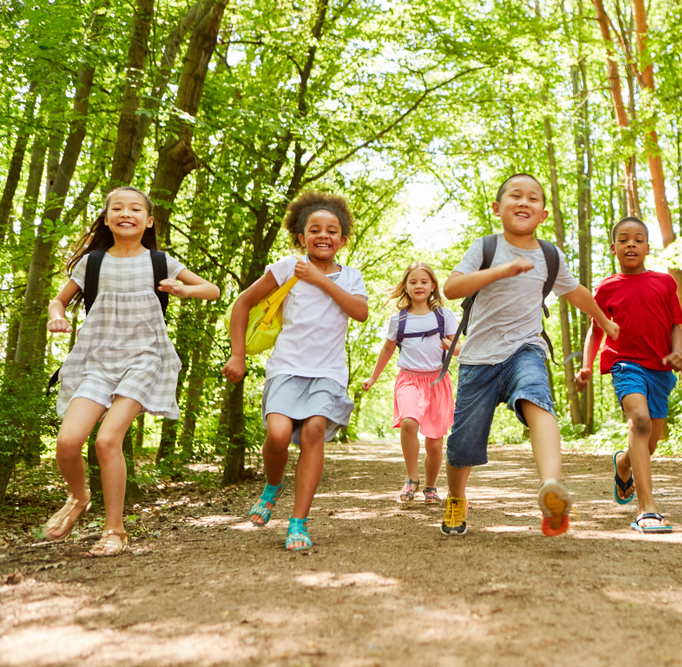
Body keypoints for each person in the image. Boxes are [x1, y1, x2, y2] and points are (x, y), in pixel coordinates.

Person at [43, 186, 220, 556]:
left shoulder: (161, 261)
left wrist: (185, 290)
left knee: (108, 440)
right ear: (107, 219)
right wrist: (56, 317)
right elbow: (58, 300)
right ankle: (79, 497)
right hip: (97, 360)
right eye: (118, 208)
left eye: (135, 209)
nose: (126, 213)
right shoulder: (92, 263)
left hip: (145, 358)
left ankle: (115, 531)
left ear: (149, 220)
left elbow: (213, 290)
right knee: (68, 442)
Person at [440, 173, 619, 537]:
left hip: (526, 348)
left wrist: (603, 320)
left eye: (533, 198)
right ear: (497, 208)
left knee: (537, 398)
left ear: (544, 214)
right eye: (515, 196)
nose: (524, 202)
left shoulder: (550, 256)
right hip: (478, 359)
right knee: (463, 442)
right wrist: (501, 270)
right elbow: (452, 287)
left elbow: (576, 292)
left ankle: (551, 486)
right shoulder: (485, 247)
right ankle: (456, 497)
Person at [223, 191, 368, 551]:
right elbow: (243, 303)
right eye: (314, 230)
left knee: (314, 431)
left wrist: (320, 280)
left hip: (328, 371)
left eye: (332, 231)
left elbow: (360, 312)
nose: (323, 235)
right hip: (286, 367)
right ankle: (273, 486)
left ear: (342, 241)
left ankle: (298, 523)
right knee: (277, 435)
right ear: (302, 238)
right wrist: (238, 355)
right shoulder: (287, 267)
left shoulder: (351, 277)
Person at [575, 216, 682, 533]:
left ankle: (623, 462)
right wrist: (586, 365)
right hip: (625, 364)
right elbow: (596, 331)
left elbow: (676, 324)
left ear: (648, 248)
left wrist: (677, 352)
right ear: (613, 248)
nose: (631, 244)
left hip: (660, 370)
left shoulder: (665, 282)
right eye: (623, 239)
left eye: (638, 239)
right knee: (639, 420)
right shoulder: (606, 287)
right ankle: (646, 508)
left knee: (648, 446)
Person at [362, 262, 458, 505]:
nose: (419, 286)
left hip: (437, 382)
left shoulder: (444, 316)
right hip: (409, 380)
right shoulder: (399, 320)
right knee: (408, 422)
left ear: (433, 286)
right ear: (405, 286)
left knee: (435, 443)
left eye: (424, 282)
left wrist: (450, 345)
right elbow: (387, 349)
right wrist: (373, 377)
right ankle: (412, 478)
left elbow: (459, 348)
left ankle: (430, 487)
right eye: (413, 282)